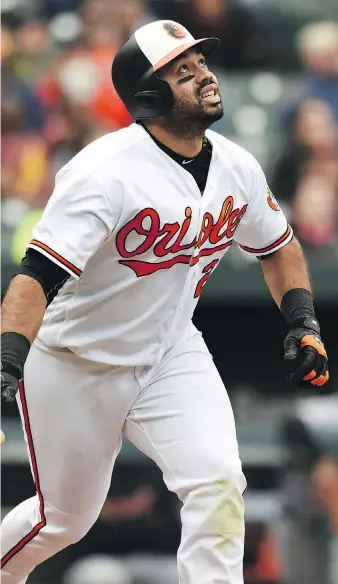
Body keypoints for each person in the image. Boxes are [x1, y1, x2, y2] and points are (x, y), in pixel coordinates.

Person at [0, 19, 329, 584]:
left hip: (171, 352)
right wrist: (9, 357)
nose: (204, 75)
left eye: (201, 63)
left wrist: (303, 321)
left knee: (219, 480)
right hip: (76, 360)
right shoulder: (104, 172)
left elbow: (278, 246)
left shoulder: (235, 164)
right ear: (149, 96)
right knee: (63, 522)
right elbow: (36, 276)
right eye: (184, 71)